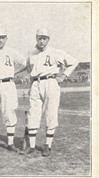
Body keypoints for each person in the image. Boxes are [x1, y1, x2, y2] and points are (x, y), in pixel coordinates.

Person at [23, 29, 79, 157]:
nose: (41, 41)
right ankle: (31, 146)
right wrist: (30, 84)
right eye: (39, 38)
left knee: (51, 113)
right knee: (33, 113)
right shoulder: (31, 53)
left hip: (51, 82)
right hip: (35, 84)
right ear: (36, 38)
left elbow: (74, 62)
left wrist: (63, 76)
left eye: (44, 38)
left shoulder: (56, 52)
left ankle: (47, 145)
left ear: (48, 39)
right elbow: (29, 69)